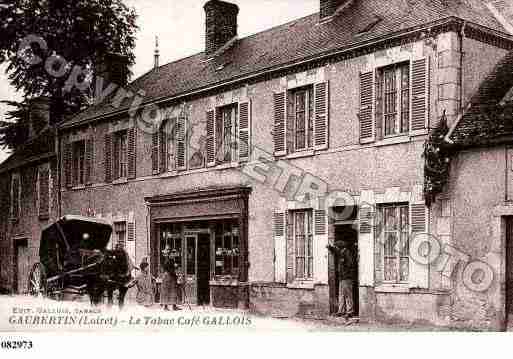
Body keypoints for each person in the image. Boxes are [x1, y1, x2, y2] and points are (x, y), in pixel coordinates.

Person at [327, 239, 357, 319]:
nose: (336, 248)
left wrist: (345, 270)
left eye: (337, 247)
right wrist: (330, 247)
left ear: (340, 247)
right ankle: (341, 311)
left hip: (347, 278)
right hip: (342, 278)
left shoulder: (347, 253)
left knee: (348, 295)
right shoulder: (341, 252)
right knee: (341, 295)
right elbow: (336, 251)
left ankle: (350, 312)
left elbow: (350, 264)